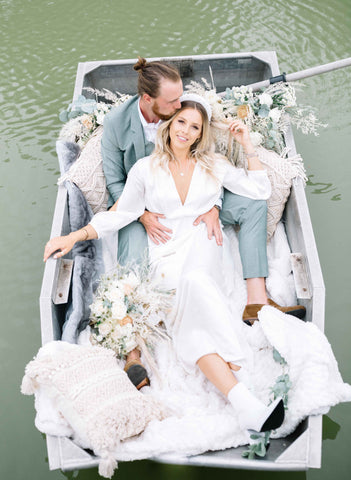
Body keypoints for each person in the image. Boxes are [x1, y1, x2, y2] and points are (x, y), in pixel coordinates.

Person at [44, 95, 293, 434]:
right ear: (169, 124)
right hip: (164, 250)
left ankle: (242, 401)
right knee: (186, 298)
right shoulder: (145, 169)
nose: (186, 131)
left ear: (201, 133)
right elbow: (121, 214)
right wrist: (72, 237)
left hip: (203, 243)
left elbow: (259, 190)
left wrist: (246, 143)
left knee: (196, 283)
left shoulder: (212, 164)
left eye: (195, 127)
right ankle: (243, 402)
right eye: (181, 122)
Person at [101, 57, 305, 387]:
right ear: (148, 101)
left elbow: (213, 170)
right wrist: (140, 213)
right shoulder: (116, 124)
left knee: (254, 202)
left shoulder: (190, 123)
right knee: (132, 251)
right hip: (145, 207)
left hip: (195, 202)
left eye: (182, 100)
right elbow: (114, 182)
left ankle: (256, 300)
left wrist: (216, 203)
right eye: (173, 103)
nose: (180, 106)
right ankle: (133, 352)